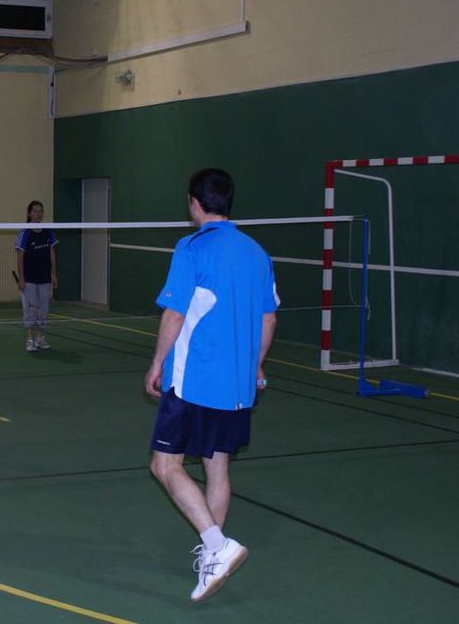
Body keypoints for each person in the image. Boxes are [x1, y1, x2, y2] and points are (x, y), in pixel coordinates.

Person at [143, 168, 279, 603]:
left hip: (193, 380)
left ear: (194, 204)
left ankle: (217, 546)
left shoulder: (190, 247)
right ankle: (211, 561)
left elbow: (175, 313)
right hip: (238, 385)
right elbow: (269, 317)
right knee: (217, 467)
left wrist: (158, 361)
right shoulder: (257, 253)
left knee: (165, 466)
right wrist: (255, 366)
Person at [15, 200, 58, 352]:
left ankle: (40, 338)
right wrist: (22, 278)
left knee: (43, 310)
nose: (38, 214)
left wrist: (54, 274)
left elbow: (51, 252)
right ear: (29, 213)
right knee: (30, 309)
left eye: (40, 211)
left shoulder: (48, 231)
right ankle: (29, 340)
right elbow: (20, 256)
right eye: (35, 211)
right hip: (30, 279)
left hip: (45, 278)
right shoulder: (25, 232)